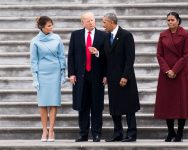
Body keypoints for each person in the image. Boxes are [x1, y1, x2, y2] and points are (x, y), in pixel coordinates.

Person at [154, 12, 188, 142]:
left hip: (181, 73)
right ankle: (170, 132)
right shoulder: (163, 35)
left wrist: (175, 70)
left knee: (181, 103)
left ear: (178, 21)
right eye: (168, 20)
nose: (170, 22)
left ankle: (179, 133)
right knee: (167, 102)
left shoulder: (185, 34)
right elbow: (159, 54)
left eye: (172, 20)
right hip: (166, 74)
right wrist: (167, 70)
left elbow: (186, 55)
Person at [68, 12, 107, 142]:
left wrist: (97, 53)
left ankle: (96, 133)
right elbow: (71, 56)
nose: (91, 22)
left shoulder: (103, 35)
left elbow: (108, 57)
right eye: (88, 21)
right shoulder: (75, 35)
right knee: (82, 106)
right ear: (83, 22)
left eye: (93, 20)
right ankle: (83, 134)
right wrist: (72, 73)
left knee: (96, 105)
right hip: (80, 76)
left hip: (97, 76)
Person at [101, 13, 140, 142]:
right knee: (114, 107)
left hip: (125, 78)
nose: (103, 25)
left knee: (129, 107)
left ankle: (131, 134)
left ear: (112, 22)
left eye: (104, 22)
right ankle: (118, 134)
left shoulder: (126, 35)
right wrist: (105, 75)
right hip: (112, 78)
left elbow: (130, 58)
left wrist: (125, 76)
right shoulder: (106, 37)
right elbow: (106, 59)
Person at [30, 16, 66, 142]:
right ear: (42, 27)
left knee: (53, 102)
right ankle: (44, 130)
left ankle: (51, 130)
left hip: (55, 72)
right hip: (42, 73)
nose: (51, 28)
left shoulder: (57, 38)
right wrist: (35, 78)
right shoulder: (35, 41)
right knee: (43, 103)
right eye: (49, 26)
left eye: (52, 25)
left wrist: (63, 74)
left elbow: (62, 57)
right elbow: (33, 61)